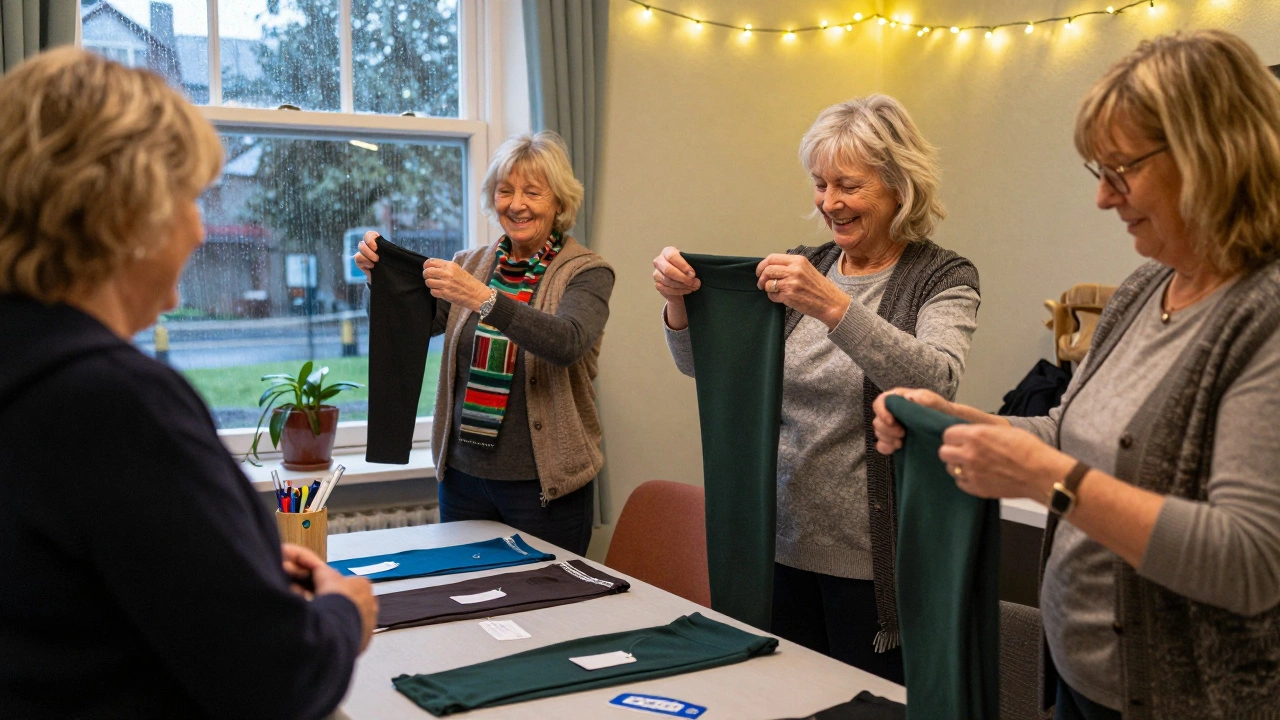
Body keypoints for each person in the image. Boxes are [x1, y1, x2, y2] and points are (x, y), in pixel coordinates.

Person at [873, 30, 1280, 720]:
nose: (1104, 200)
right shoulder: (1145, 287)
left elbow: (1247, 561)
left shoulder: (1263, 317)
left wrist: (1042, 477)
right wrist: (968, 425)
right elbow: (1070, 428)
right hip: (1082, 680)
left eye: (1121, 172)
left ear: (1210, 158)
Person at [0, 49, 377, 719]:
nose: (201, 228)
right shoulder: (115, 403)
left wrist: (235, 567)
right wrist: (342, 616)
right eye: (190, 200)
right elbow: (275, 678)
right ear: (128, 212)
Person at [654, 94, 980, 681]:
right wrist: (678, 302)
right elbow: (710, 372)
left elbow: (938, 379)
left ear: (899, 186)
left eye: (848, 186)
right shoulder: (805, 264)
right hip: (774, 549)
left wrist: (834, 305)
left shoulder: (941, 276)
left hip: (870, 565)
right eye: (819, 183)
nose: (830, 202)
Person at [355, 131, 613, 556]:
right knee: (466, 598)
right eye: (505, 190)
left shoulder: (587, 272)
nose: (516, 204)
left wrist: (482, 298)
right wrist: (377, 282)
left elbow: (566, 342)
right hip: (462, 480)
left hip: (544, 487)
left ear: (560, 203)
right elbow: (416, 327)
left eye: (533, 192)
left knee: (548, 608)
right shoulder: (469, 264)